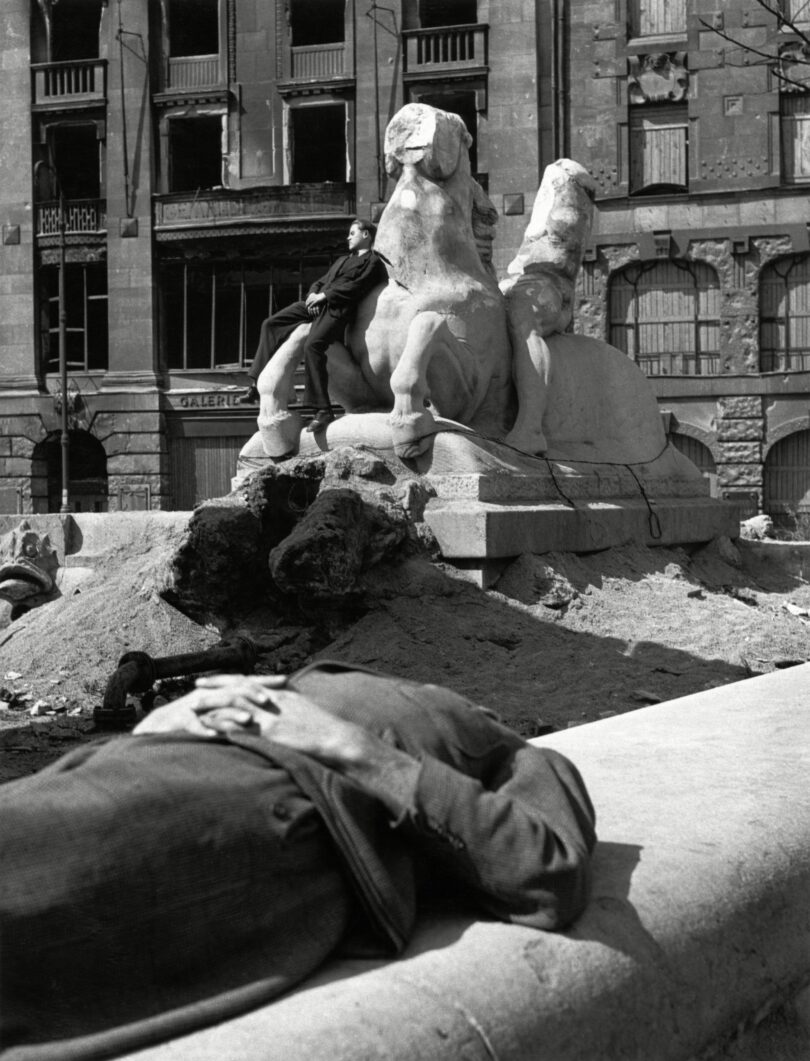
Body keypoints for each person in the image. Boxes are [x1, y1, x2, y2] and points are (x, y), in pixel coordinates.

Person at [0, 662, 596, 1060]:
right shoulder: (322, 673)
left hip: (262, 804)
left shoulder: (507, 748)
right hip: (145, 761)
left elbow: (550, 872)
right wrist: (151, 729)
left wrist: (349, 747)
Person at [239, 220, 389, 433]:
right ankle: (256, 384)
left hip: (337, 310)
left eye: (352, 233)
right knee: (271, 324)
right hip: (316, 304)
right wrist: (312, 295)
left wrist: (325, 296)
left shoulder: (373, 262)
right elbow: (321, 281)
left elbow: (356, 288)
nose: (348, 237)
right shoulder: (342, 260)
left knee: (313, 346)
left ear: (366, 235)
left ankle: (323, 411)